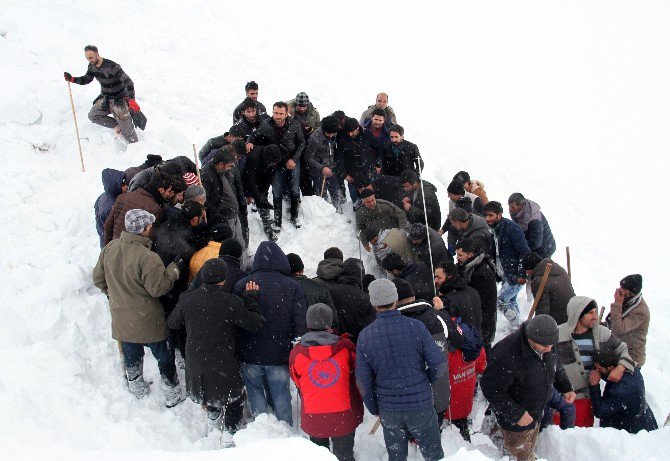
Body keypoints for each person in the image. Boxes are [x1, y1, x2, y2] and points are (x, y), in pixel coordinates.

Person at [92, 209, 185, 407]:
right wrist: (174, 269)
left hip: (122, 319)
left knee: (132, 354)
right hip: (149, 320)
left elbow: (98, 278)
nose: (152, 229)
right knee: (164, 356)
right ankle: (172, 393)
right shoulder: (147, 257)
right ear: (143, 230)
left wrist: (113, 293)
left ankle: (137, 387)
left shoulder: (110, 249)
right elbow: (158, 287)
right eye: (150, 226)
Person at [167, 259, 262, 436]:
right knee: (234, 397)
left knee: (207, 390)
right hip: (223, 361)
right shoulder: (231, 302)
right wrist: (252, 298)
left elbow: (173, 323)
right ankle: (229, 433)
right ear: (224, 279)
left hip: (196, 359)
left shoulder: (188, 298)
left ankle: (213, 417)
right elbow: (255, 323)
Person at [356, 279, 446, 461]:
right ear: (396, 299)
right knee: (434, 455)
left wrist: (375, 408)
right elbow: (439, 363)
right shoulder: (416, 327)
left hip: (389, 410)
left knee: (397, 457)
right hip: (421, 405)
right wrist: (426, 381)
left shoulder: (365, 336)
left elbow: (362, 381)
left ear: (373, 304)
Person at [234, 241, 307, 425]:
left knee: (255, 393)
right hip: (279, 353)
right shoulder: (292, 286)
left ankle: (260, 429)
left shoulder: (242, 284)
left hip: (249, 352)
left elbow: (237, 319)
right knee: (281, 394)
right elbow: (300, 322)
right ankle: (286, 429)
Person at [481, 315, 574, 461]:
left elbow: (554, 364)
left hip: (535, 413)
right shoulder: (506, 353)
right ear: (531, 339)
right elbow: (490, 388)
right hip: (515, 422)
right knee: (521, 455)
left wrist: (565, 386)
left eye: (552, 345)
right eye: (545, 346)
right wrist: (516, 414)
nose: (550, 349)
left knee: (528, 448)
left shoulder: (547, 341)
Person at [289, 304, 363, 461]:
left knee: (320, 456)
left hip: (314, 415)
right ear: (330, 324)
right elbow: (358, 375)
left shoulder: (297, 353)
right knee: (344, 456)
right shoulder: (346, 348)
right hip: (343, 415)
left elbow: (297, 381)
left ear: (308, 324)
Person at [556, 296, 636, 427]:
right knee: (560, 441)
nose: (595, 316)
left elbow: (623, 349)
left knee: (582, 442)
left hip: (587, 400)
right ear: (578, 314)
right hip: (563, 400)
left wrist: (620, 367)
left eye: (596, 311)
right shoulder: (558, 334)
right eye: (590, 313)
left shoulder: (602, 333)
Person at [393, 279, 452, 433]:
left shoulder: (395, 326)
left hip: (412, 399)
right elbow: (457, 341)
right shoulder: (438, 316)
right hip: (440, 393)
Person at [247, 102, 306, 229]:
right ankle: (278, 221)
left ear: (286, 113)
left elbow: (302, 142)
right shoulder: (266, 125)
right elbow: (253, 135)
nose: (278, 116)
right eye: (275, 113)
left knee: (295, 189)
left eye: (281, 114)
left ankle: (294, 217)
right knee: (277, 191)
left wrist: (294, 159)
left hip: (292, 159)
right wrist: (249, 142)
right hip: (276, 162)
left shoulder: (294, 124)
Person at [64, 45, 140, 143]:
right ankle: (117, 125)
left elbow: (128, 82)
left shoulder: (112, 66)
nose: (89, 60)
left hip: (119, 99)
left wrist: (132, 100)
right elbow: (86, 79)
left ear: (97, 54)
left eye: (91, 57)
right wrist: (72, 79)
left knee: (128, 132)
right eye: (87, 58)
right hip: (106, 98)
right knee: (93, 115)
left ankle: (136, 146)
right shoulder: (91, 66)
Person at [483, 201, 530, 328]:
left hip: (514, 274)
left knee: (501, 301)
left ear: (500, 215)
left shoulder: (511, 228)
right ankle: (516, 325)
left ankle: (518, 327)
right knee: (511, 301)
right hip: (505, 273)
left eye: (491, 215)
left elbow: (524, 252)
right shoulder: (493, 229)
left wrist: (521, 273)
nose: (488, 219)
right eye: (486, 215)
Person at [588, 351, 658, 434]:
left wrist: (594, 385)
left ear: (611, 368)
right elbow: (608, 375)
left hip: (630, 434)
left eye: (599, 369)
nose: (596, 371)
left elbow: (600, 411)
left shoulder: (620, 391)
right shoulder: (631, 370)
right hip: (644, 422)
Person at [103, 171, 175, 244]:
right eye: (169, 191)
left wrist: (108, 247)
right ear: (161, 190)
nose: (170, 194)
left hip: (115, 247)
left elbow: (108, 225)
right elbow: (150, 238)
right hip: (133, 251)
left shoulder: (122, 197)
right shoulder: (156, 209)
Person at [456, 238, 498, 358]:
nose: (457, 257)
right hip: (479, 315)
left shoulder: (481, 272)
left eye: (460, 255)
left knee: (483, 344)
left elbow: (478, 299)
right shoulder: (470, 266)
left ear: (470, 254)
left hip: (483, 316)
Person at [200, 147, 245, 248]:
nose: (230, 168)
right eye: (229, 166)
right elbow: (205, 201)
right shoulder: (207, 176)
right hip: (223, 217)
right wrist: (218, 214)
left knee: (239, 244)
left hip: (232, 215)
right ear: (221, 164)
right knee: (231, 246)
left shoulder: (219, 171)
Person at [286, 253, 339, 332]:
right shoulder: (320, 288)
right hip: (317, 339)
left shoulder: (281, 288)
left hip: (290, 340)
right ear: (302, 269)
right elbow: (333, 321)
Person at [328, 258, 376, 343]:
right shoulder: (365, 298)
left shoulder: (328, 291)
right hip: (355, 345)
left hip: (331, 345)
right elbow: (369, 328)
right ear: (361, 275)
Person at [606, 274, 649, 367]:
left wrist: (617, 303)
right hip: (618, 349)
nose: (620, 291)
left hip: (630, 357)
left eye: (624, 289)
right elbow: (614, 321)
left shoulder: (641, 311)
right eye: (621, 287)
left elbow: (618, 328)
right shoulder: (628, 302)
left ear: (632, 293)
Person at [522, 252, 575, 325]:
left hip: (559, 322)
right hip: (573, 313)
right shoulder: (559, 269)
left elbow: (542, 310)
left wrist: (539, 328)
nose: (526, 273)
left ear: (531, 268)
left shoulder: (540, 281)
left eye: (526, 270)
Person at [242, 144, 281, 241]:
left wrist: (263, 194)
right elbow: (250, 181)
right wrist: (254, 196)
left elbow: (269, 179)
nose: (273, 165)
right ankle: (244, 229)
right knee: (249, 202)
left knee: (263, 200)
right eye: (272, 163)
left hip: (262, 179)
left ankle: (267, 224)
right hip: (248, 180)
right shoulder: (252, 157)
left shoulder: (273, 161)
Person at [305, 116, 343, 211]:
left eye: (333, 133)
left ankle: (338, 212)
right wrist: (322, 168)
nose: (331, 136)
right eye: (328, 134)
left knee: (336, 191)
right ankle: (324, 214)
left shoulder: (335, 133)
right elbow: (308, 157)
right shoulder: (315, 138)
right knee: (322, 195)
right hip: (318, 171)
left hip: (331, 167)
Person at [434, 260, 482, 333]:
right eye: (435, 277)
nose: (435, 281)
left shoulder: (448, 300)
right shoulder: (473, 291)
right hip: (477, 339)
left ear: (449, 278)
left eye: (439, 278)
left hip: (463, 342)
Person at [508, 193, 556, 259]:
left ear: (521, 205)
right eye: (509, 206)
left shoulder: (534, 219)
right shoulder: (518, 211)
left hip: (544, 248)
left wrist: (518, 246)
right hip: (533, 242)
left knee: (539, 267)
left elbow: (536, 243)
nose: (510, 209)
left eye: (512, 207)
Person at [95, 168, 128, 248]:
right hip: (111, 244)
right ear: (115, 185)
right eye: (123, 184)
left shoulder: (103, 196)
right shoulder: (113, 205)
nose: (126, 186)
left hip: (104, 238)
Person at [360, 109, 391, 175]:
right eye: (376, 119)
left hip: (380, 166)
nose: (377, 122)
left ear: (384, 120)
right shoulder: (362, 129)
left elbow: (387, 150)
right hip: (362, 163)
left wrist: (379, 164)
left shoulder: (388, 133)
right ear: (372, 118)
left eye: (380, 120)